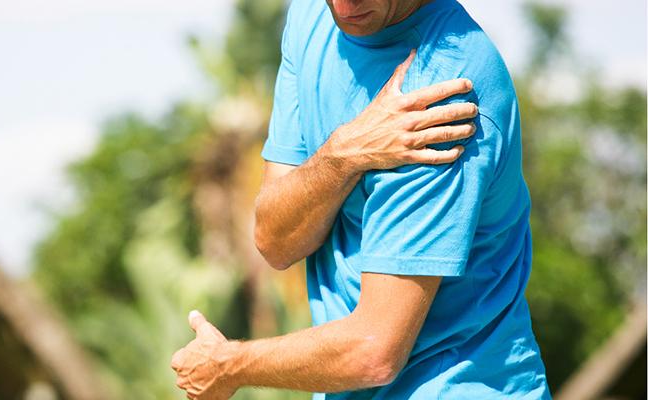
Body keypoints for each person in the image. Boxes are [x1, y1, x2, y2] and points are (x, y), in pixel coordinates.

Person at [170, 0, 551, 399]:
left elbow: (374, 351)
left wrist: (228, 365)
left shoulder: (445, 90)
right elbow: (275, 240)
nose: (345, 4)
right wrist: (345, 153)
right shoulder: (311, 15)